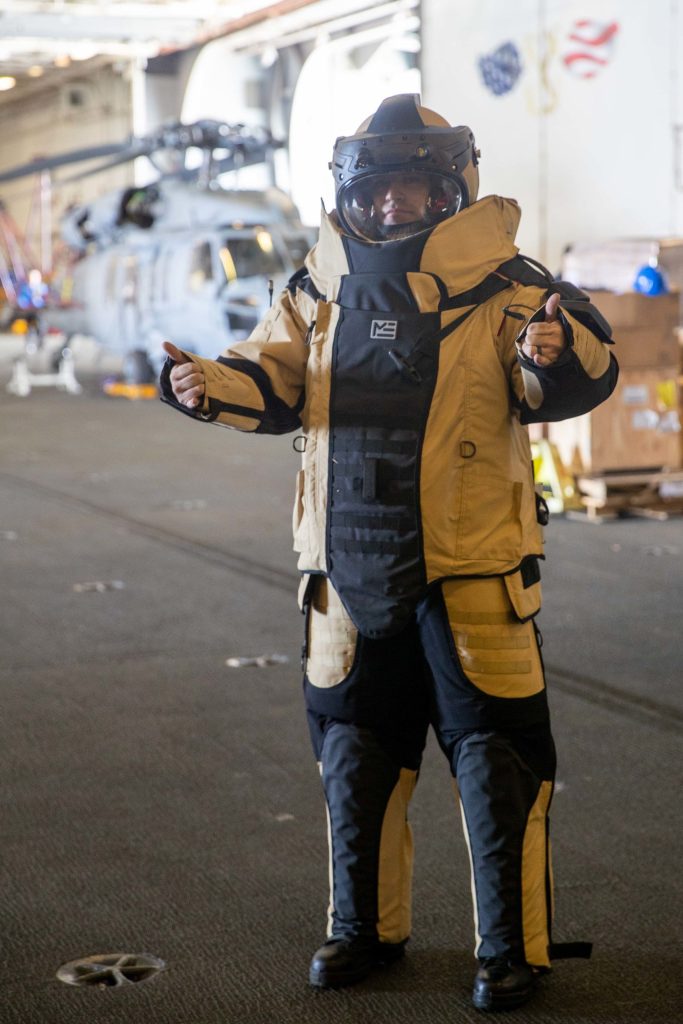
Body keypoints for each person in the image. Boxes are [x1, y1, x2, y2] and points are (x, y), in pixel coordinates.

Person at [160, 94, 618, 1013]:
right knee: (354, 760)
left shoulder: (513, 292)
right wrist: (202, 385)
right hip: (343, 577)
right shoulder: (313, 289)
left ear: (452, 191)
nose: (395, 210)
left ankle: (511, 951)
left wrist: (552, 350)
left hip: (473, 577)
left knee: (498, 766)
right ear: (353, 196)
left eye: (414, 193)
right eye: (382, 196)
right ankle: (361, 932)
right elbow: (271, 377)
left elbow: (572, 374)